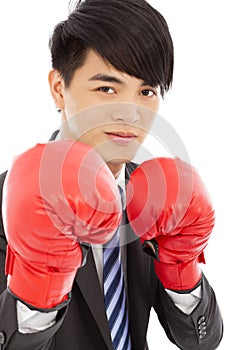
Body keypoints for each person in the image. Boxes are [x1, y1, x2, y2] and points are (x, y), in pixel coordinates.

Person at [0, 0, 223, 349]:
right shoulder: (6, 201)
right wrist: (39, 288)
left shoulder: (158, 197)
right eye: (107, 88)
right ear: (59, 88)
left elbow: (202, 340)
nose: (130, 114)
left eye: (146, 91)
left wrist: (182, 265)